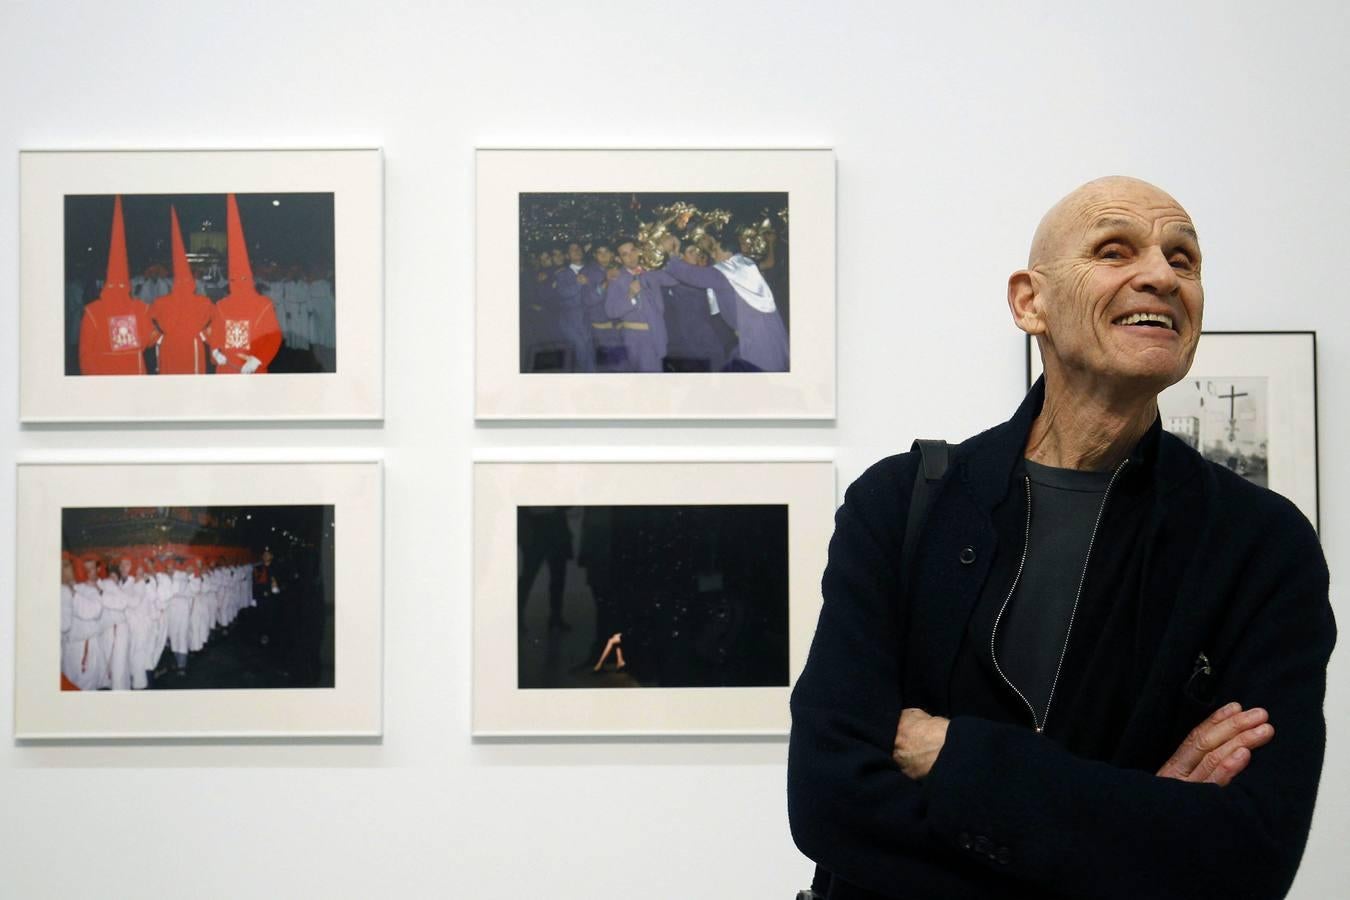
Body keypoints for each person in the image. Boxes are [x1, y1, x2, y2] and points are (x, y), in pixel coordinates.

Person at [787, 176, 1336, 900]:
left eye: (1184, 260)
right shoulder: (899, 503)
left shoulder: (1261, 547)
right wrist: (1129, 821)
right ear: (1029, 302)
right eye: (1116, 250)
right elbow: (829, 800)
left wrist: (951, 753)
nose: (1161, 277)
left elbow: (1244, 857)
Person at [77, 195, 159, 375]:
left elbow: (85, 353)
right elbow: (150, 340)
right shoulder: (139, 308)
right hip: (133, 375)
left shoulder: (92, 312)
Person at [205, 194, 283, 375]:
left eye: (241, 280)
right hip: (226, 369)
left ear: (249, 279)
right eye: (233, 280)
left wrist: (257, 359)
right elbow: (215, 334)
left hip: (252, 367)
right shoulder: (222, 305)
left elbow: (273, 336)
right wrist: (215, 352)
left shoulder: (263, 304)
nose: (237, 285)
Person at [150, 206, 216, 374]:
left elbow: (148, 320)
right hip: (189, 346)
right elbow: (215, 323)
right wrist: (205, 337)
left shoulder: (161, 302)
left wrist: (159, 337)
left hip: (172, 347)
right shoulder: (203, 302)